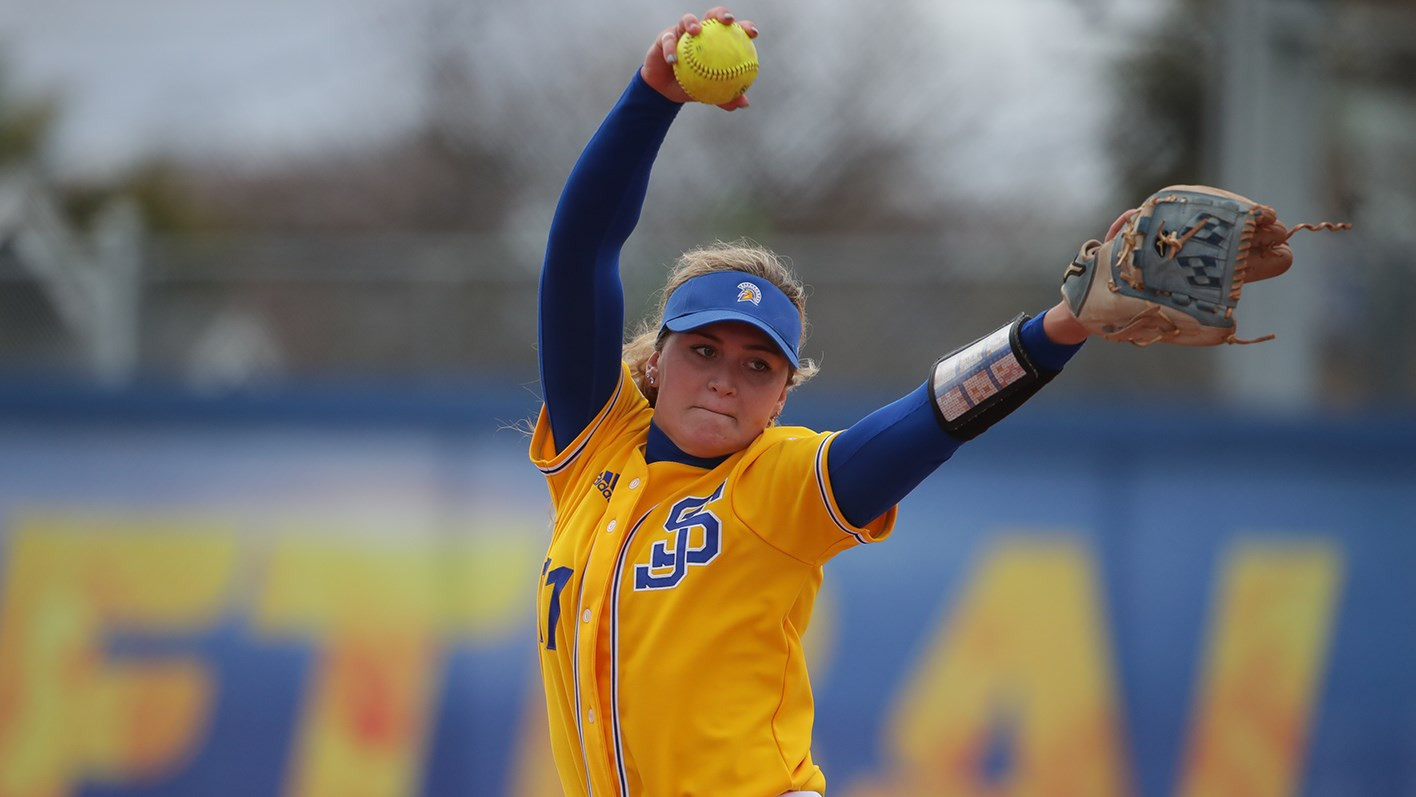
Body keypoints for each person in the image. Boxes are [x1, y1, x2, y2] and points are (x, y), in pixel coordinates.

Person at [529, 8, 1105, 795]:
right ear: (657, 361)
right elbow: (578, 253)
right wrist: (650, 97)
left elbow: (935, 414)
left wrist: (1058, 328)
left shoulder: (779, 484)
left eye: (759, 365)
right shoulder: (592, 444)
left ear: (781, 398)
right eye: (703, 349)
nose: (727, 377)